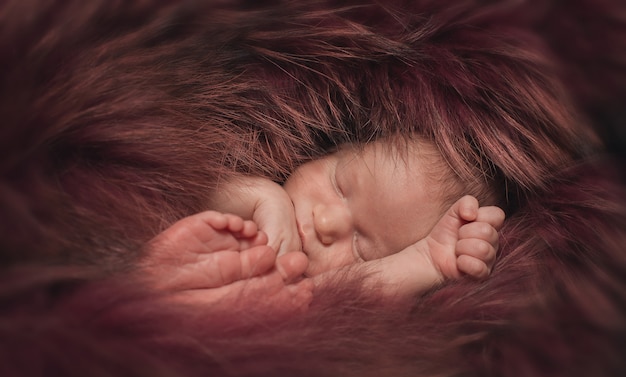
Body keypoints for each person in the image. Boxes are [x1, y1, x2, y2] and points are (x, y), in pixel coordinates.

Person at [146, 138, 505, 300]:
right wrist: (262, 197)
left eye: (362, 247)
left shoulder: (304, 290)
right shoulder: (259, 195)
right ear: (332, 150)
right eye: (339, 185)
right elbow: (178, 189)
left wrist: (427, 261)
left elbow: (349, 297)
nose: (328, 224)